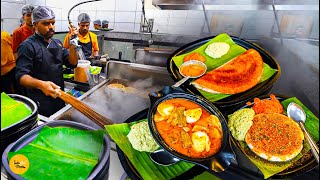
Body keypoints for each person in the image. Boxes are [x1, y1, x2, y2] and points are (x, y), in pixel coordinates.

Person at [15, 6, 79, 117]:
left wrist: (73, 43)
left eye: (53, 23)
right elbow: (21, 76)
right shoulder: (28, 46)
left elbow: (72, 63)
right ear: (35, 24)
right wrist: (41, 84)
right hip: (40, 102)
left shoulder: (57, 43)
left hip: (58, 97)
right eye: (45, 23)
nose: (51, 27)